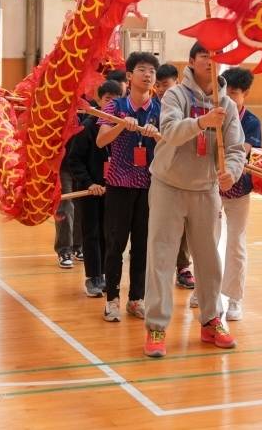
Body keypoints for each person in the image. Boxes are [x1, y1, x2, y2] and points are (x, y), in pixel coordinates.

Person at [142, 43, 246, 358]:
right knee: (161, 257)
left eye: (216, 57)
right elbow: (170, 131)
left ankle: (212, 320)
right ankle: (157, 326)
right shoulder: (176, 96)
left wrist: (231, 171)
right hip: (168, 186)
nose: (211, 62)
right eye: (205, 56)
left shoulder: (226, 105)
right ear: (191, 61)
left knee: (209, 260)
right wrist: (201, 123)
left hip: (206, 190)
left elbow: (237, 149)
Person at [97, 52, 161, 322]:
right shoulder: (116, 107)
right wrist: (123, 128)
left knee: (143, 245)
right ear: (129, 76)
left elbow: (171, 144)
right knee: (116, 244)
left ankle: (137, 298)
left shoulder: (160, 108)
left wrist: (156, 136)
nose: (148, 75)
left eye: (152, 72)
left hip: (150, 186)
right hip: (119, 184)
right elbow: (101, 141)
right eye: (142, 70)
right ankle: (111, 298)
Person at [67, 79, 123, 296]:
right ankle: (93, 277)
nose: (111, 104)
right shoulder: (87, 126)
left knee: (109, 234)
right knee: (90, 232)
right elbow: (75, 161)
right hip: (90, 190)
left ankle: (107, 274)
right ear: (99, 100)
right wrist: (89, 183)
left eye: (116, 100)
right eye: (108, 99)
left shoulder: (123, 127)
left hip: (115, 190)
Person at [217, 67, 262, 321]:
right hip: (210, 187)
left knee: (236, 243)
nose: (229, 98)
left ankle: (234, 299)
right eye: (226, 92)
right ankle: (204, 293)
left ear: (245, 94)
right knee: (206, 241)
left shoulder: (252, 122)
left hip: (239, 189)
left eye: (234, 93)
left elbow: (241, 152)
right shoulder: (214, 113)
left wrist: (227, 171)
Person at [155, 62, 195, 290]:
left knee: (182, 226)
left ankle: (183, 267)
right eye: (158, 85)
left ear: (176, 82)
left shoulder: (184, 107)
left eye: (165, 84)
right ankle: (157, 270)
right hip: (153, 174)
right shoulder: (152, 107)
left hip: (179, 174)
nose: (160, 89)